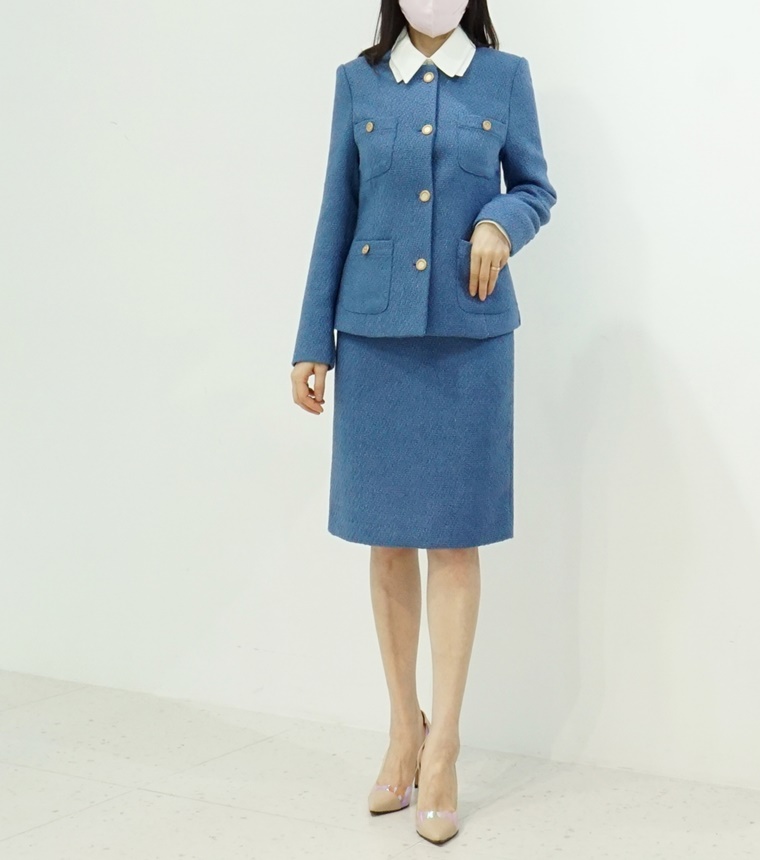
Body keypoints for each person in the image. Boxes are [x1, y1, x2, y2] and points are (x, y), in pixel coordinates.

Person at [290, 0, 557, 845]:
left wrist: (500, 222)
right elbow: (336, 212)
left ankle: (443, 751)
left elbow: (537, 188)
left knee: (454, 541)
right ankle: (403, 730)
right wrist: (312, 342)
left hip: (469, 339)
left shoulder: (504, 77)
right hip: (374, 337)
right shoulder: (358, 81)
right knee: (387, 541)